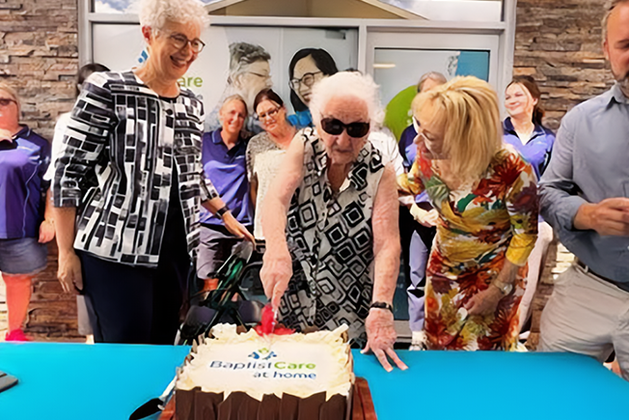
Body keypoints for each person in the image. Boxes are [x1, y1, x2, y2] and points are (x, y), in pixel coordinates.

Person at [53, 0, 251, 344]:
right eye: (178, 39)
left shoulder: (191, 102)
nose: (187, 51)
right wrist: (66, 252)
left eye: (194, 42)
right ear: (149, 34)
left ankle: (156, 402)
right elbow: (67, 173)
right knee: (123, 352)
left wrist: (227, 216)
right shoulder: (109, 90)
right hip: (115, 251)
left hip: (175, 252)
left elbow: (192, 172)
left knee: (162, 346)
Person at [260, 72, 407, 372]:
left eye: (356, 128)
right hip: (295, 297)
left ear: (369, 128)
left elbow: (387, 245)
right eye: (333, 126)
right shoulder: (304, 146)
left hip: (350, 311)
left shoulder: (382, 170)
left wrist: (381, 307)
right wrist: (275, 250)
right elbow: (276, 199)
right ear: (317, 121)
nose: (343, 140)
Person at [399, 76, 539, 351]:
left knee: (482, 359)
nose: (418, 141)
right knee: (438, 350)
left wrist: (496, 290)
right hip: (444, 273)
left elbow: (525, 235)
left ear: (464, 138)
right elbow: (408, 185)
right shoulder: (428, 156)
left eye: (430, 135)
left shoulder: (511, 168)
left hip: (493, 279)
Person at [538, 0, 629, 380]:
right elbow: (547, 193)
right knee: (549, 393)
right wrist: (586, 214)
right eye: (626, 44)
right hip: (589, 287)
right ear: (607, 49)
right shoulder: (580, 120)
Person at [44, 62, 110, 343]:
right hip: (80, 215)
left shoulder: (118, 119)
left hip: (111, 219)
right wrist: (58, 234)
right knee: (87, 288)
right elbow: (58, 179)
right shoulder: (68, 122)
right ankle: (93, 341)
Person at [0, 82, 54, 341]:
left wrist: (49, 218)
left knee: (18, 280)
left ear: (17, 105)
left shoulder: (36, 144)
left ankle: (14, 333)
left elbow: (52, 184)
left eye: (3, 101)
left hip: (19, 227)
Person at [503, 76, 556, 332]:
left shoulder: (547, 139)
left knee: (526, 288)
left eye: (518, 95)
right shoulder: (495, 134)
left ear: (533, 100)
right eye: (508, 96)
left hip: (535, 224)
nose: (511, 100)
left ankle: (514, 340)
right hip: (499, 223)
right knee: (497, 284)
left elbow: (555, 180)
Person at [397, 71, 446, 349]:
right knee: (415, 276)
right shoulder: (408, 134)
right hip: (416, 214)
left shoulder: (456, 132)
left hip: (447, 219)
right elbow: (404, 176)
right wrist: (414, 209)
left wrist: (443, 213)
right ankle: (417, 335)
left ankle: (439, 335)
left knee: (441, 278)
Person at [198, 95, 255, 280]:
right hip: (209, 224)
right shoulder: (202, 142)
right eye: (231, 113)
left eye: (241, 115)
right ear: (221, 114)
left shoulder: (249, 146)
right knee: (208, 284)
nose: (236, 119)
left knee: (233, 286)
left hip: (241, 225)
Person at [246, 89, 297, 241]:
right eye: (262, 115)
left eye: (272, 111)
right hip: (266, 231)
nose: (268, 118)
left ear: (283, 109)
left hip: (301, 230)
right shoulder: (255, 145)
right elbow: (254, 187)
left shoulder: (304, 139)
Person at [207, 42, 272, 133]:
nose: (270, 83)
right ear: (239, 79)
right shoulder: (209, 128)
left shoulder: (256, 123)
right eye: (263, 75)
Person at [287, 48, 338, 129]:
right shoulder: (292, 125)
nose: (302, 89)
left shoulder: (350, 116)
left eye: (308, 78)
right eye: (296, 82)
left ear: (328, 75)